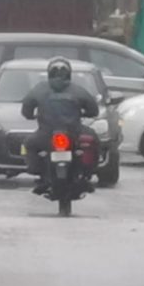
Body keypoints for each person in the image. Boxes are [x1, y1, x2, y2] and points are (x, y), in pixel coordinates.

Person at [21, 57, 99, 194]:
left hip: (45, 134)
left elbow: (26, 109)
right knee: (94, 140)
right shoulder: (78, 90)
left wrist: (30, 115)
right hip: (75, 133)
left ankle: (41, 174)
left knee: (28, 145)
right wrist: (85, 113)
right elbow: (93, 110)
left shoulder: (39, 89)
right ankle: (88, 173)